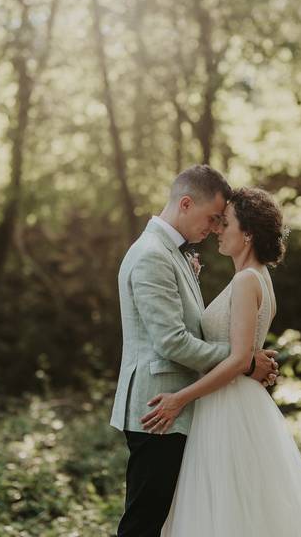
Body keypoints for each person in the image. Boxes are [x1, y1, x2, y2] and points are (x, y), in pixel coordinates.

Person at [142, 187, 301, 537]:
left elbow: (239, 359)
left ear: (247, 235)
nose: (217, 230)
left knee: (223, 506)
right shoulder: (260, 279)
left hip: (227, 405)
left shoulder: (246, 281)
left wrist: (180, 398)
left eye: (225, 223)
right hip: (237, 401)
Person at [110, 165, 279, 537]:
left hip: (180, 408)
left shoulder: (176, 253)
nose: (216, 228)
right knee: (144, 522)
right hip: (159, 407)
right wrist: (245, 361)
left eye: (223, 221)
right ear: (186, 203)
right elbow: (171, 342)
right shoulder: (153, 254)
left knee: (171, 518)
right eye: (213, 218)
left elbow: (187, 324)